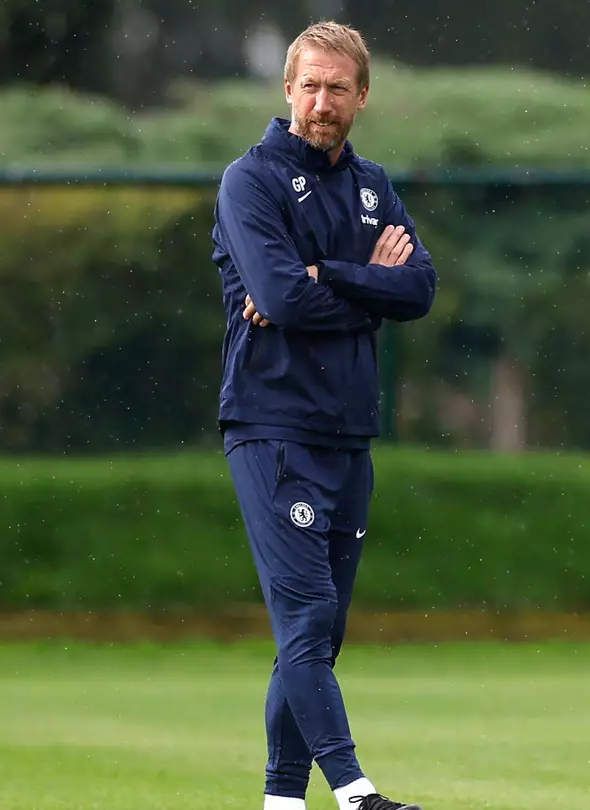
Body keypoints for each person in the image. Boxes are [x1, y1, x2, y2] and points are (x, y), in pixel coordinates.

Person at [209, 20, 437, 810]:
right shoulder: (252, 180)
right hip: (273, 428)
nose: (322, 101)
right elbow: (275, 297)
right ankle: (355, 791)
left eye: (338, 87)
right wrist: (364, 286)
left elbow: (420, 288)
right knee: (305, 616)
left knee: (319, 635)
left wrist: (330, 276)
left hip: (348, 432)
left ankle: (280, 802)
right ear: (287, 89)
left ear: (361, 96)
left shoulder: (373, 185)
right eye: (309, 85)